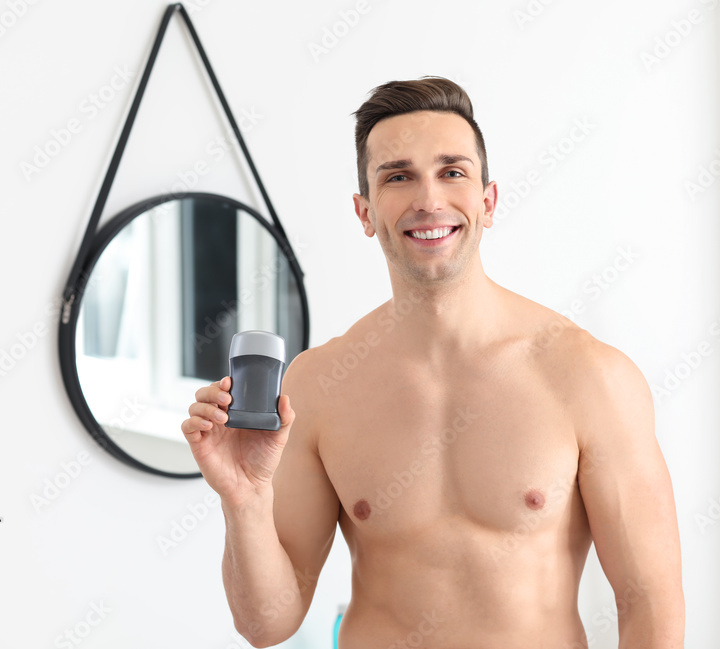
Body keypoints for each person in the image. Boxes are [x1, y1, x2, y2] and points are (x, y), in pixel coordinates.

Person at [182, 76, 684, 648]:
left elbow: (649, 601)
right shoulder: (319, 384)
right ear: (365, 211)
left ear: (487, 201)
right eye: (399, 176)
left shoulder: (589, 376)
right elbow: (267, 623)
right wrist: (245, 501)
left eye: (452, 172)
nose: (428, 199)